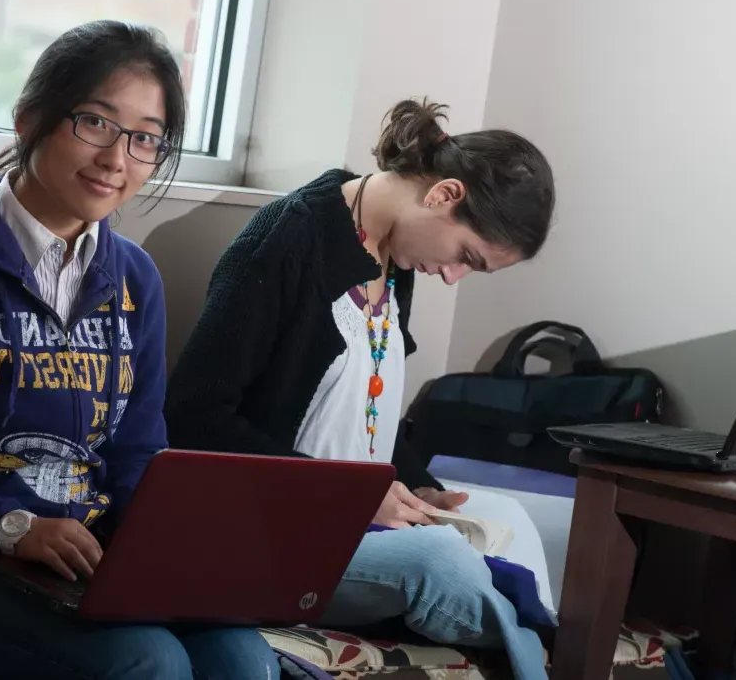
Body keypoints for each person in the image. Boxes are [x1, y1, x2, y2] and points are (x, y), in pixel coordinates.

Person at [0, 21, 281, 680]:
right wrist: (10, 525)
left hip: (79, 563)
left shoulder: (133, 279)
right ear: (30, 119)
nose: (116, 158)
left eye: (145, 138)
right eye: (95, 122)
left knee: (243, 657)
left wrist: (162, 551)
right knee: (145, 661)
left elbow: (135, 451)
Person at [165, 99, 557, 680]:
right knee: (439, 560)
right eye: (465, 257)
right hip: (276, 526)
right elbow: (192, 416)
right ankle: (557, 651)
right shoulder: (284, 243)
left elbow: (369, 409)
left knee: (514, 521)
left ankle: (538, 633)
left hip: (356, 515)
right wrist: (343, 496)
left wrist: (419, 490)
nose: (452, 277)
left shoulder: (395, 256)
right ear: (444, 195)